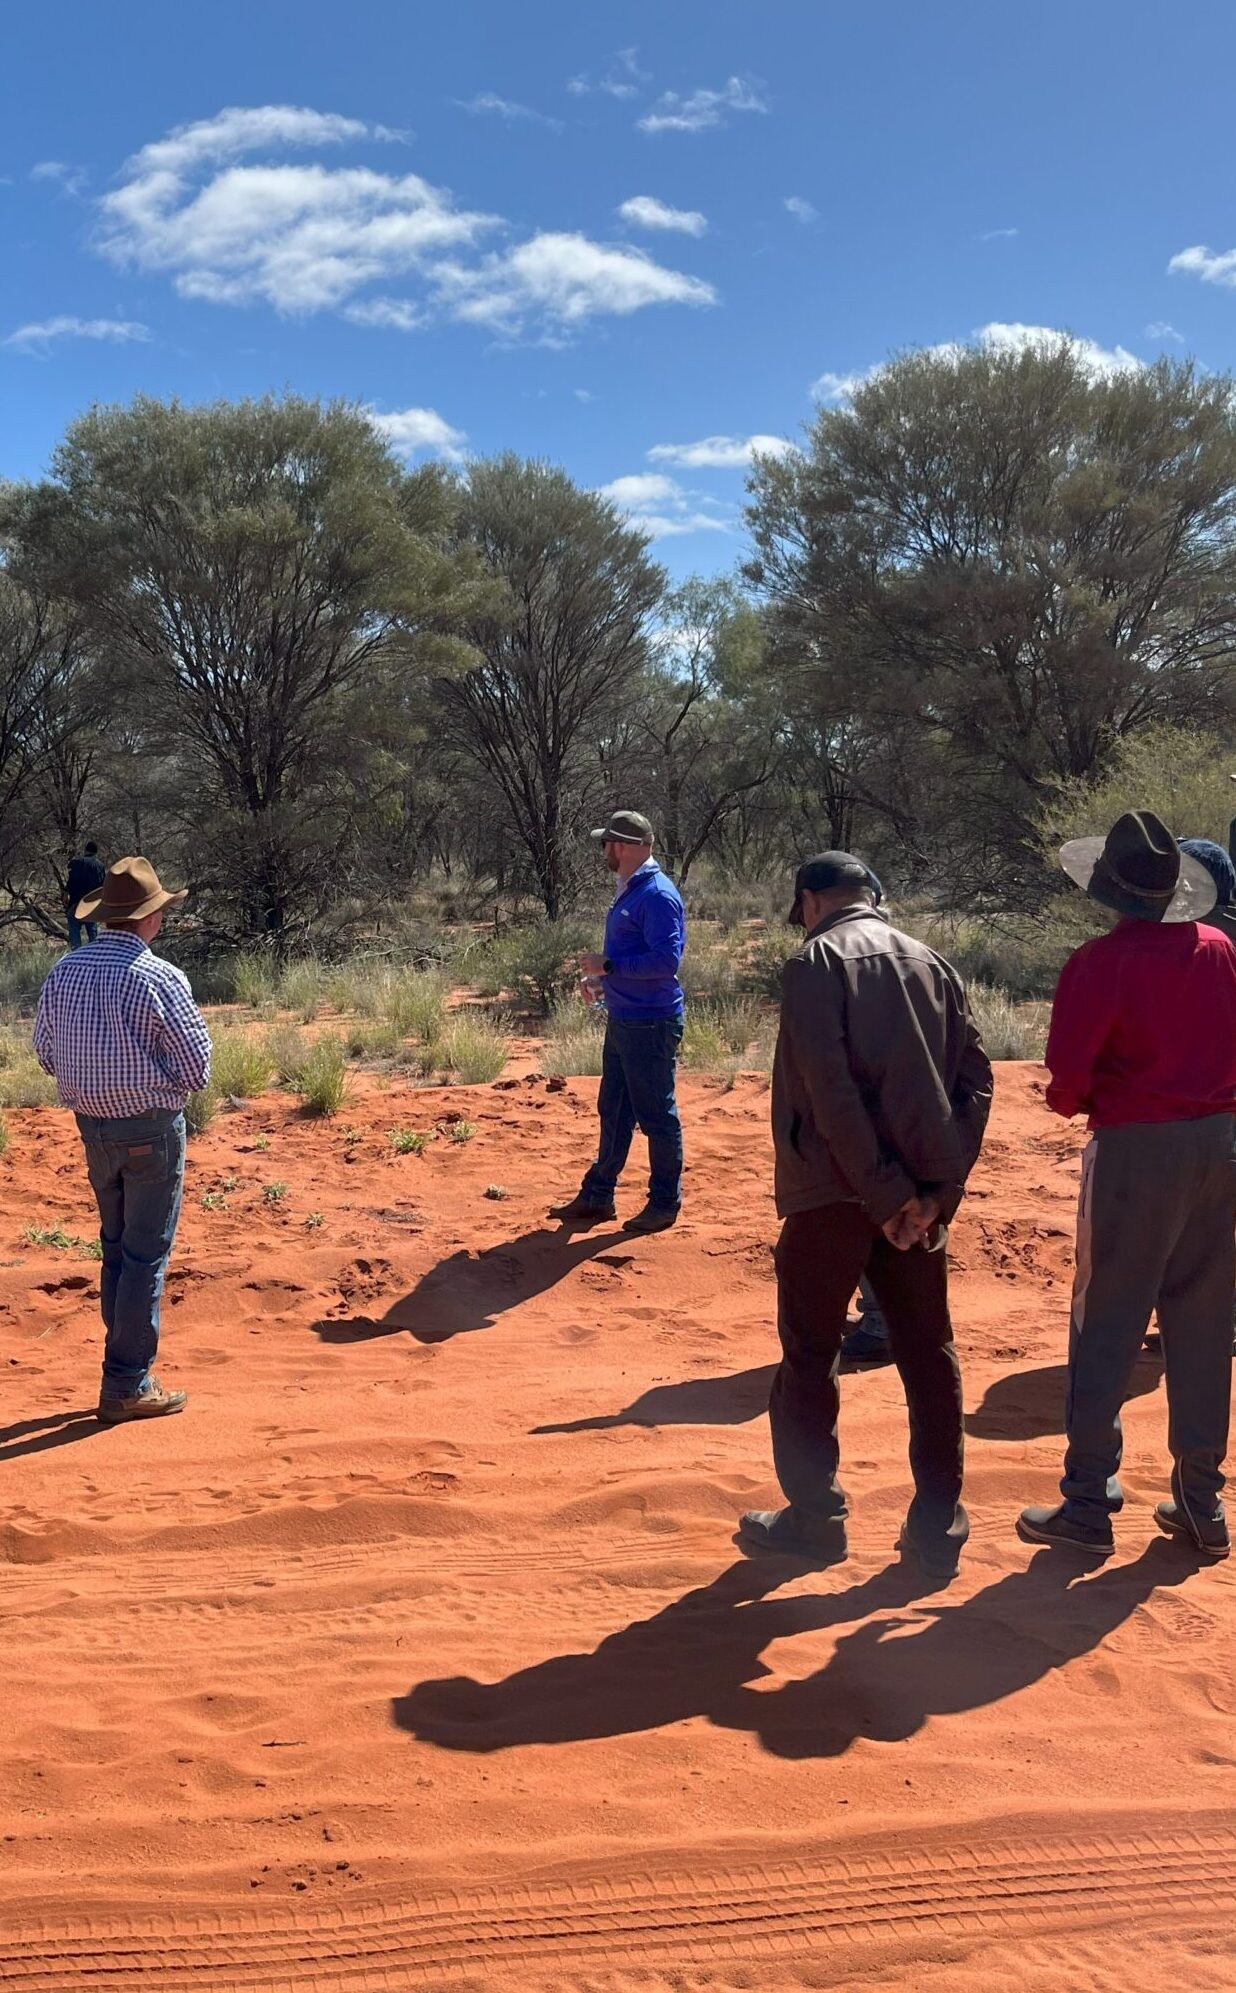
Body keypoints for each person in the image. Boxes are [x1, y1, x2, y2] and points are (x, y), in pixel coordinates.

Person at [740, 851, 993, 1581]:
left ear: (812, 901)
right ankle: (938, 1523)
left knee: (810, 1355)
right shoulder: (933, 963)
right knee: (927, 1352)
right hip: (915, 1201)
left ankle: (815, 1520)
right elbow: (977, 1082)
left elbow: (830, 1091)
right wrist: (936, 1193)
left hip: (835, 1197)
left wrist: (883, 1195)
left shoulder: (816, 962)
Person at [1017, 810, 1236, 1563]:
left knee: (1106, 1316)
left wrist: (1093, 1096)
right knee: (1206, 1319)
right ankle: (1202, 1498)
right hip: (1221, 1146)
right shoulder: (1219, 950)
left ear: (1112, 888)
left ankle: (1087, 1497)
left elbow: (1066, 1086)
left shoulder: (1099, 963)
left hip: (1136, 1151)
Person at [33, 855, 211, 1425]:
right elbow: (197, 1067)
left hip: (94, 1131)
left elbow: (45, 1053)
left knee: (117, 1249)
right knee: (143, 1256)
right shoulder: (160, 977)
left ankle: (124, 1371)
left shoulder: (66, 972)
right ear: (149, 917)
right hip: (150, 1132)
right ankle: (126, 1383)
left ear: (107, 915)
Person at [550, 809, 686, 1236]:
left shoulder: (657, 895)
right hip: (626, 1017)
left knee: (656, 1115)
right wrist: (605, 985)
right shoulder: (631, 890)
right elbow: (637, 962)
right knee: (614, 1108)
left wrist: (609, 965)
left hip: (650, 1023)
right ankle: (598, 1194)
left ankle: (664, 1203)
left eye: (606, 843)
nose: (603, 850)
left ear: (625, 846)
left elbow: (667, 962)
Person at [65, 841, 105, 949]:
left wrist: (67, 893)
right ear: (96, 852)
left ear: (85, 850)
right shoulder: (100, 866)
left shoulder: (76, 862)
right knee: (92, 932)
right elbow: (102, 886)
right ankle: (95, 953)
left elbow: (71, 883)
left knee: (74, 929)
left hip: (75, 902)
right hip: (91, 904)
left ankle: (75, 954)